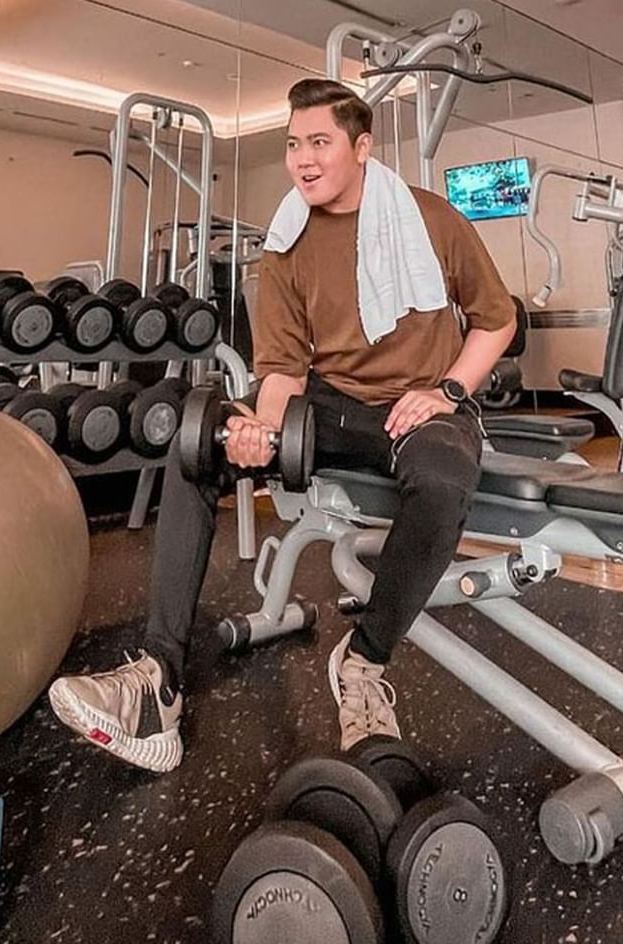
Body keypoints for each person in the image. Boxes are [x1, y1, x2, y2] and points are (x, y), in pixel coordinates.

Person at [49, 79, 516, 772]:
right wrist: (260, 432)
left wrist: (446, 391)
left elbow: (496, 319)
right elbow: (286, 371)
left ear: (362, 148)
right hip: (330, 404)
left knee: (444, 479)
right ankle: (158, 683)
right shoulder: (287, 242)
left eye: (319, 142)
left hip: (423, 405)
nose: (302, 159)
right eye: (294, 143)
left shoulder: (432, 219)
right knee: (195, 441)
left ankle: (363, 661)